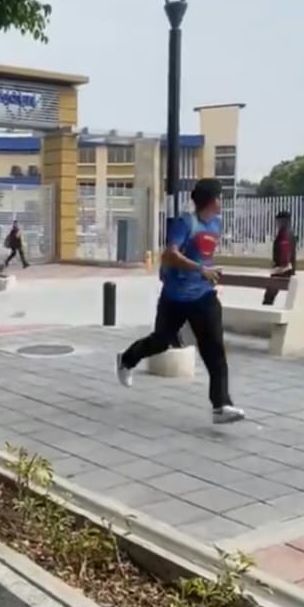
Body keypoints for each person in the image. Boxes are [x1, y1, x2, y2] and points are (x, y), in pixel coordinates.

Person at [114, 179, 246, 424]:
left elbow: (203, 255)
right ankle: (126, 360)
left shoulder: (216, 223)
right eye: (220, 197)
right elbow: (170, 254)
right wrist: (200, 269)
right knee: (161, 341)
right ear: (212, 199)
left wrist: (209, 272)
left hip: (204, 296)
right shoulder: (186, 222)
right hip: (175, 298)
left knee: (214, 349)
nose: (222, 201)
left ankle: (221, 405)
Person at [262, 210, 297, 306]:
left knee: (269, 296)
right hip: (287, 270)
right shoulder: (290, 233)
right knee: (270, 295)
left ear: (283, 221)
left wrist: (280, 267)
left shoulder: (283, 234)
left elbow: (284, 252)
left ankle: (266, 311)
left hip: (282, 270)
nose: (277, 223)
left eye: (278, 221)